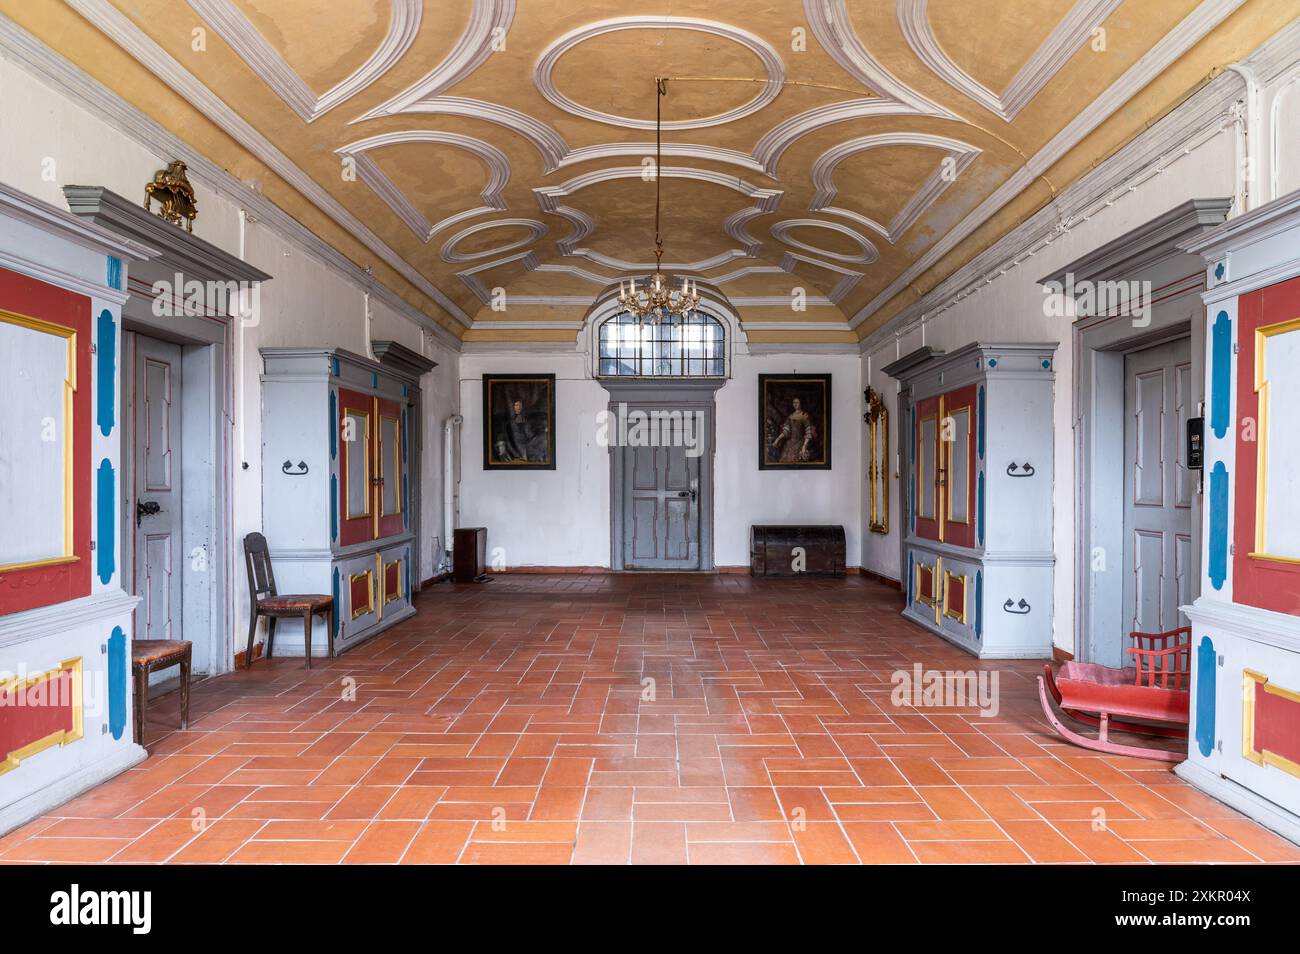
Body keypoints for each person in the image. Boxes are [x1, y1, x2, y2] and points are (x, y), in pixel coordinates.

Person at [493, 393, 548, 462]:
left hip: (531, 452)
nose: (518, 407)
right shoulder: (507, 423)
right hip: (515, 453)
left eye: (519, 405)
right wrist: (501, 446)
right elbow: (501, 433)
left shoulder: (531, 418)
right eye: (516, 405)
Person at [771, 395, 816, 463]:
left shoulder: (804, 416)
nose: (795, 404)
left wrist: (804, 446)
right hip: (790, 444)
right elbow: (786, 431)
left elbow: (808, 433)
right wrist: (777, 439)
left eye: (797, 402)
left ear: (801, 403)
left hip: (800, 443)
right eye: (794, 402)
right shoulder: (791, 416)